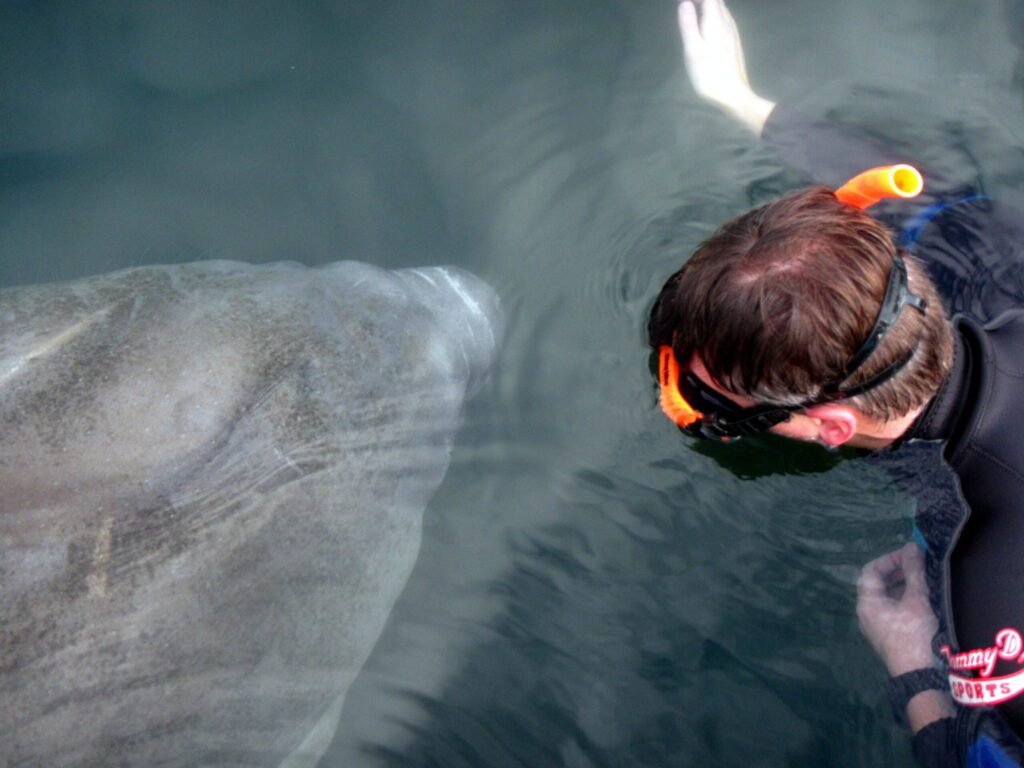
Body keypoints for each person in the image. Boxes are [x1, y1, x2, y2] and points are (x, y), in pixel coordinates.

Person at [653, 0, 1024, 765]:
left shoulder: (983, 595)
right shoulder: (994, 249)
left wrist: (913, 669)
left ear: (829, 427)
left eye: (717, 401)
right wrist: (739, 98)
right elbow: (924, 191)